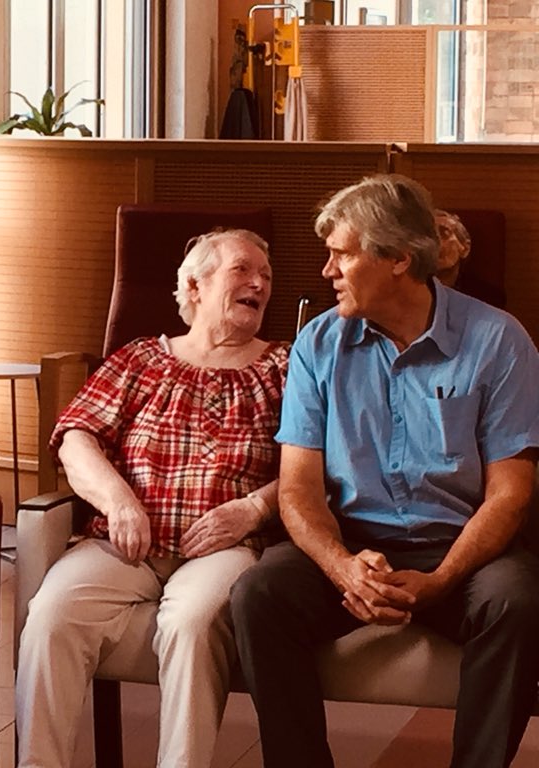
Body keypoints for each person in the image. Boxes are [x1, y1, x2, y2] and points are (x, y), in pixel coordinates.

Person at [230, 174, 539, 768]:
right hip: (355, 545)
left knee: (518, 599)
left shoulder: (498, 340)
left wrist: (443, 579)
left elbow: (510, 496)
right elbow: (298, 488)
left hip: (463, 547)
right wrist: (342, 567)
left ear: (399, 257)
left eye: (342, 253)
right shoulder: (317, 344)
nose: (327, 271)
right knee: (260, 594)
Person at [16, 229, 289, 768]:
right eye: (242, 270)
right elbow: (75, 438)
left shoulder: (283, 367)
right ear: (194, 283)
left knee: (191, 622)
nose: (258, 282)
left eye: (267, 276)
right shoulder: (140, 359)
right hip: (126, 541)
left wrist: (251, 509)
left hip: (225, 547)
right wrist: (118, 501)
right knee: (52, 612)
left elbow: (316, 467)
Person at [434, 208, 506, 308]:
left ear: (465, 248)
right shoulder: (409, 291)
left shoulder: (486, 297)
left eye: (444, 234)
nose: (435, 243)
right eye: (430, 236)